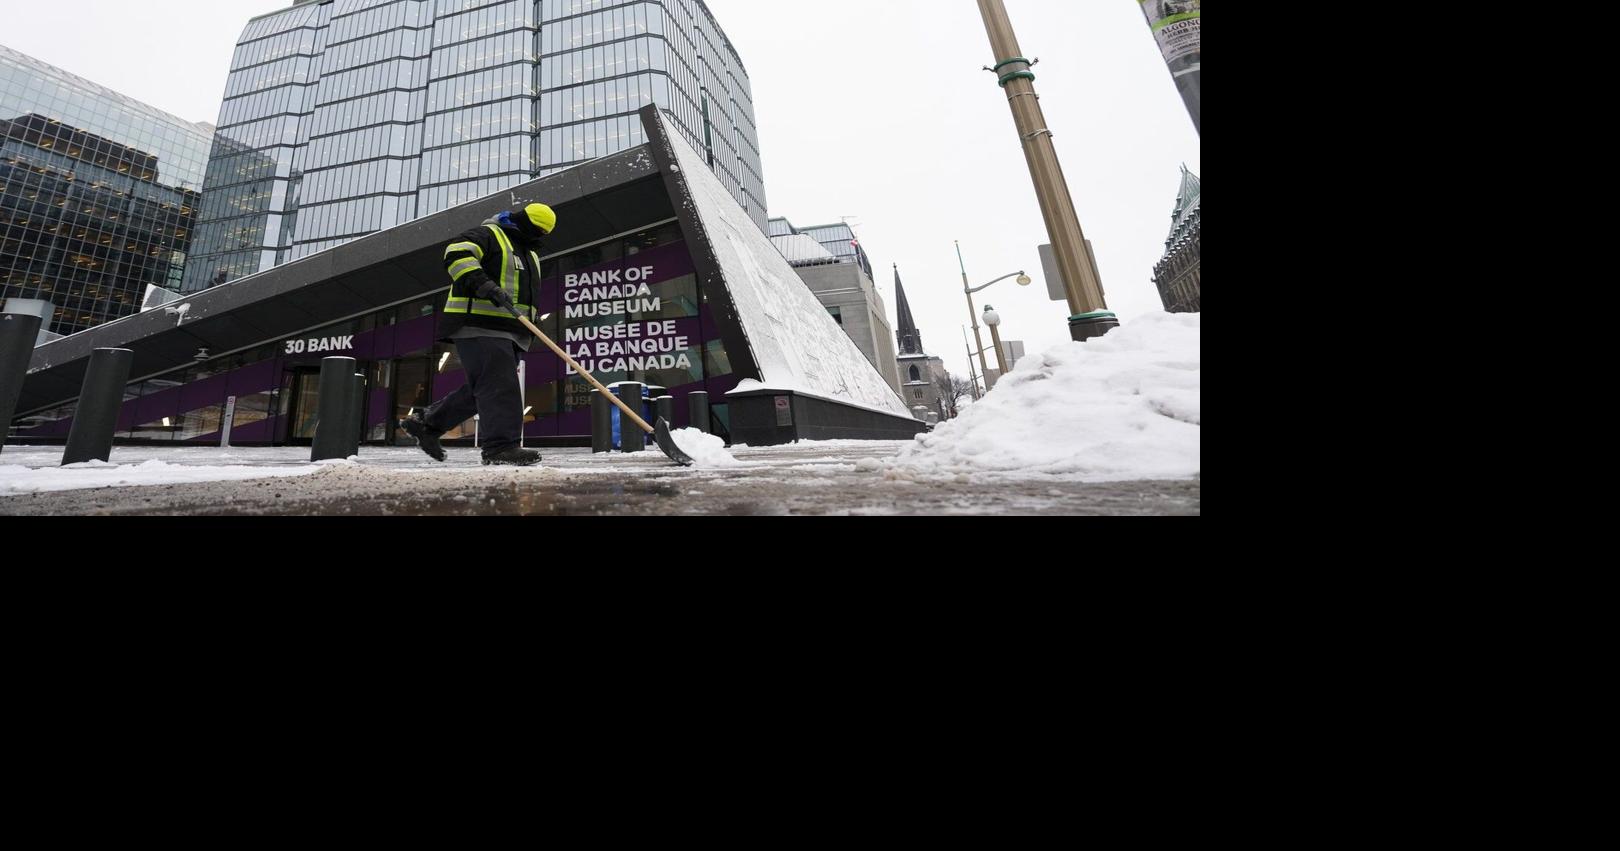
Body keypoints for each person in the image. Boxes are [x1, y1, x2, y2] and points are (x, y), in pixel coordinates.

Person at [398, 203, 557, 466]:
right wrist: (483, 284)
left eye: (543, 233)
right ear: (523, 223)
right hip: (479, 323)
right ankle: (500, 448)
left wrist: (532, 321)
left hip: (512, 331)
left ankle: (426, 423)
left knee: (483, 389)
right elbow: (456, 253)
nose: (539, 236)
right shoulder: (489, 235)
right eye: (536, 230)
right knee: (499, 385)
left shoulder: (530, 253)